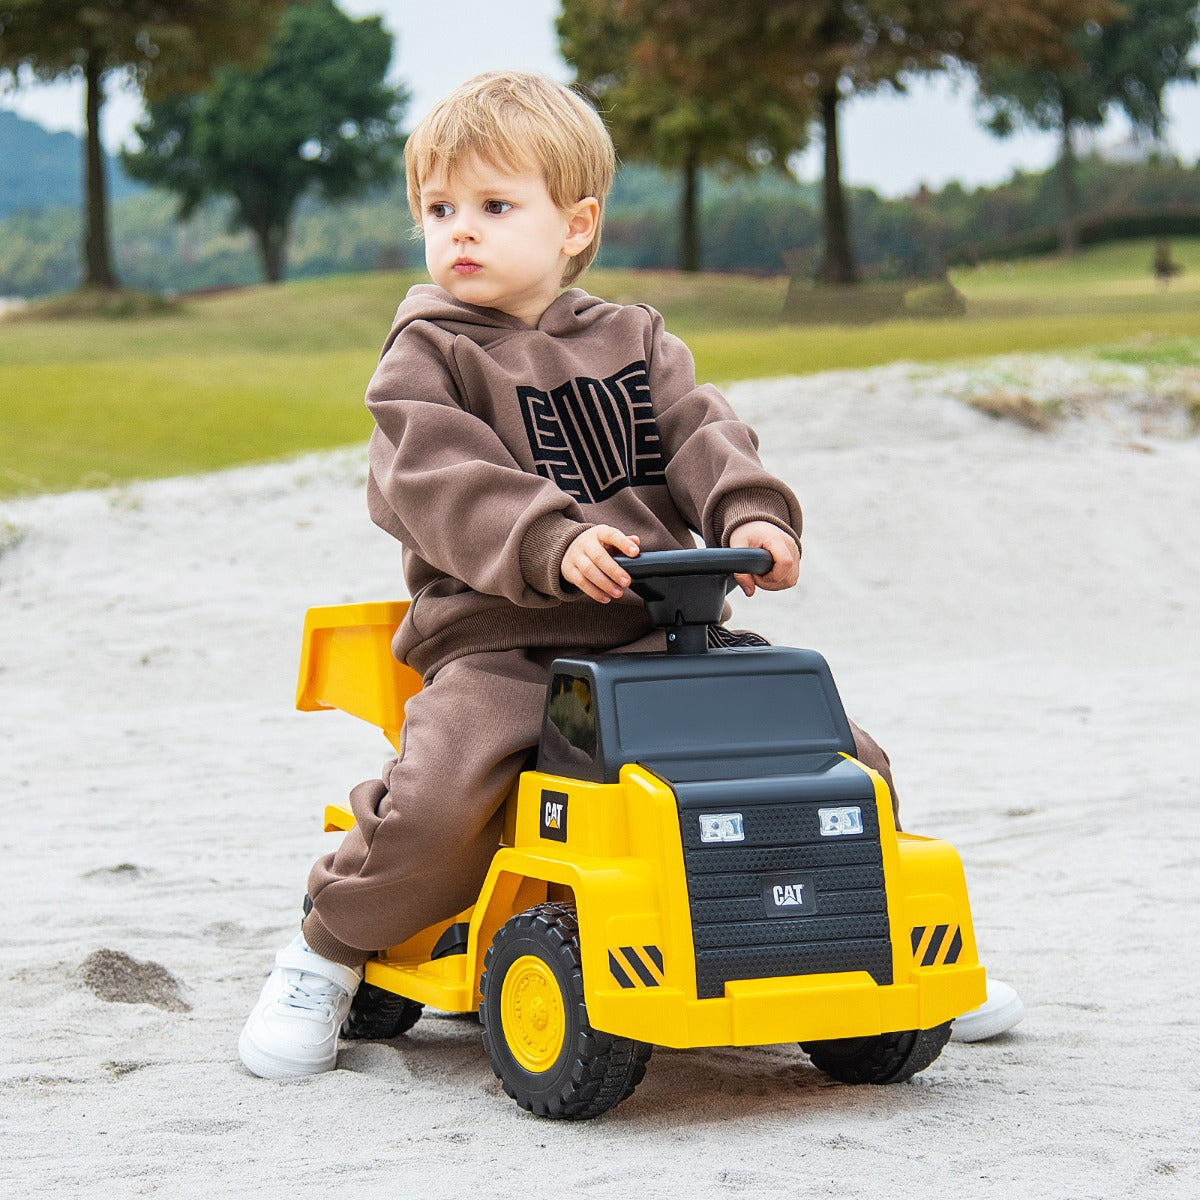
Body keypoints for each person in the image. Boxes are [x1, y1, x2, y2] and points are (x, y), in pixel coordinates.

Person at [239, 71, 1018, 1079]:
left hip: (663, 637)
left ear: (576, 224)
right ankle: (326, 949)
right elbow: (432, 476)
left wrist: (752, 516)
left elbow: (705, 433)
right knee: (439, 804)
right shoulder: (424, 357)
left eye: (493, 206)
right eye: (439, 210)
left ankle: (875, 936)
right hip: (506, 646)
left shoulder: (634, 339)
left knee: (845, 756)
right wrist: (548, 537)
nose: (458, 232)